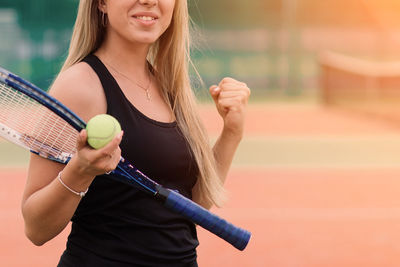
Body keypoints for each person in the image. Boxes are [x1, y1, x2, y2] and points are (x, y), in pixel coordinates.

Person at [21, 0, 250, 266]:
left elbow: (191, 207)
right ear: (102, 3)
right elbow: (36, 228)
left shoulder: (168, 85)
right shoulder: (79, 85)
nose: (150, 1)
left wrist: (232, 132)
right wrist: (80, 171)